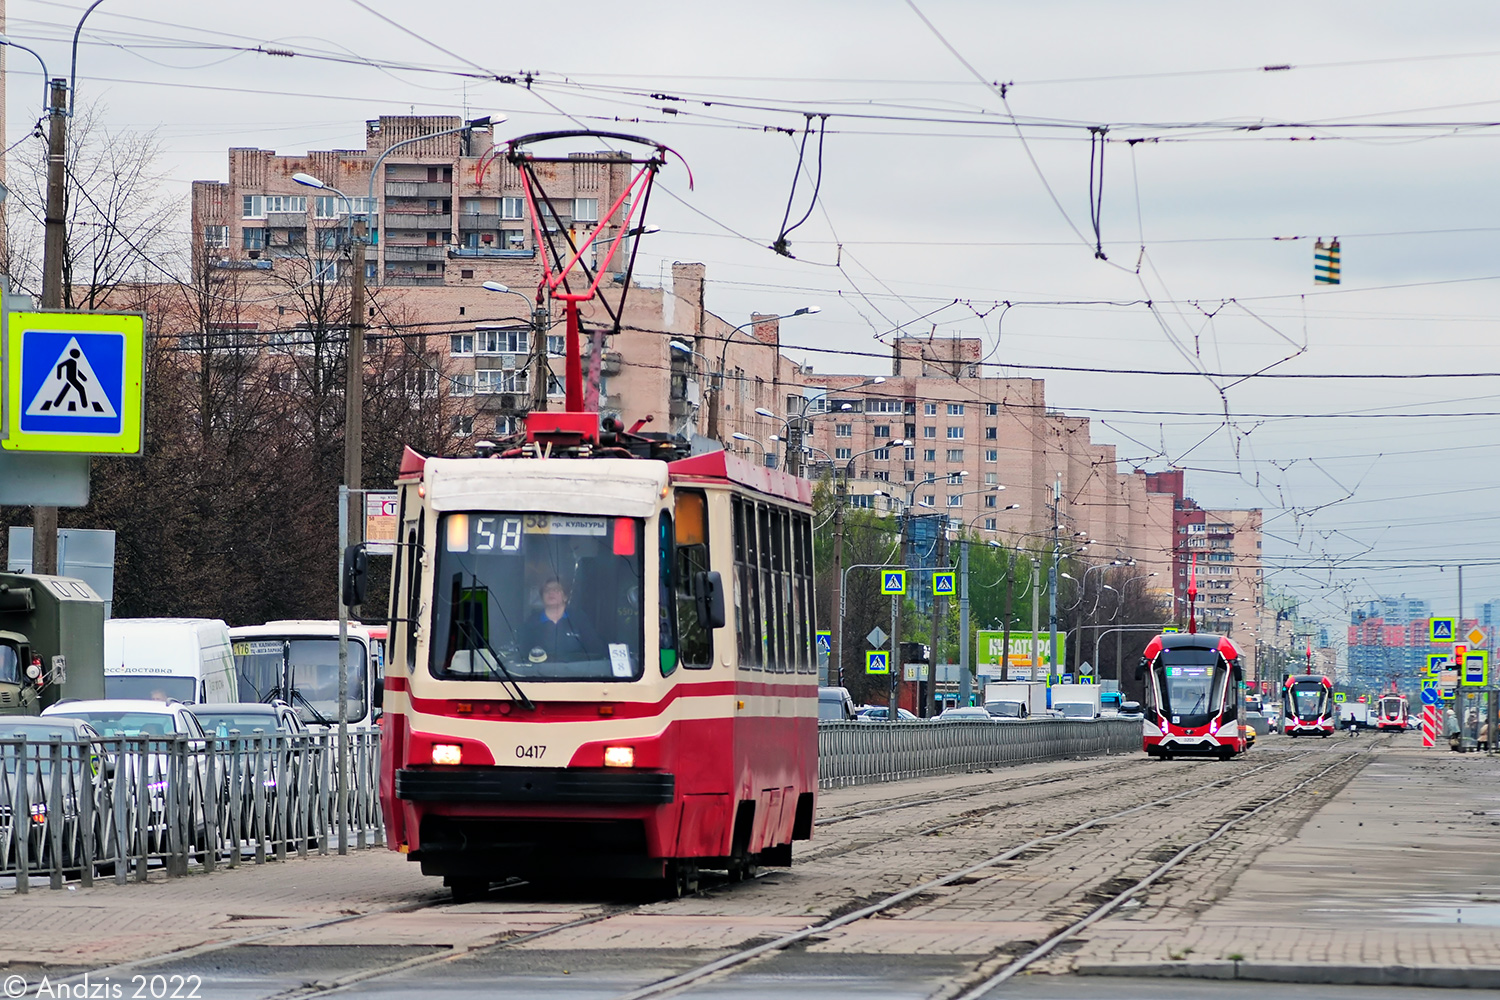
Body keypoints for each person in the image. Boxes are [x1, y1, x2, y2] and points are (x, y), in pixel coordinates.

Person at [519, 578, 603, 662]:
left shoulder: (579, 619)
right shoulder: (531, 623)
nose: (551, 592)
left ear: (565, 597)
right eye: (546, 590)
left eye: (556, 589)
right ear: (542, 598)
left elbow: (596, 651)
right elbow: (523, 655)